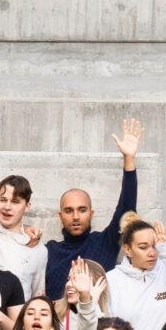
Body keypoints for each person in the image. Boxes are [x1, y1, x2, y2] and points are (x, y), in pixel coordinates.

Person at [42, 118, 144, 299]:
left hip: (99, 316)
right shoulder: (49, 251)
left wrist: (129, 160)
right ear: (60, 216)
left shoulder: (104, 242)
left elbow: (126, 209)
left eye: (82, 210)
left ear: (91, 213)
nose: (75, 216)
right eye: (69, 211)